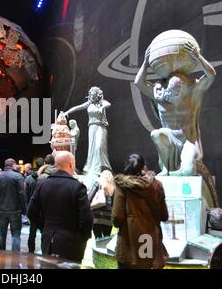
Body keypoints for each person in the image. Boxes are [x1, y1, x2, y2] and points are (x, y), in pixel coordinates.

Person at [134, 43, 216, 176]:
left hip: (187, 139)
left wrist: (198, 57)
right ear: (168, 89)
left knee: (188, 171)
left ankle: (174, 174)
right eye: (175, 91)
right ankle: (166, 169)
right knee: (156, 133)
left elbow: (211, 75)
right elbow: (138, 82)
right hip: (169, 138)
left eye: (180, 90)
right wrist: (145, 63)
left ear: (185, 88)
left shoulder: (191, 91)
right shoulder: (159, 94)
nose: (178, 94)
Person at [27, 151, 93, 262]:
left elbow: (31, 212)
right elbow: (86, 218)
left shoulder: (42, 184)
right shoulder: (78, 187)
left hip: (48, 240)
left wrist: (45, 227)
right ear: (71, 164)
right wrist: (82, 237)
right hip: (71, 242)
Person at [112, 154, 169, 269]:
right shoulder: (157, 186)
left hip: (129, 247)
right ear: (143, 167)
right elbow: (164, 216)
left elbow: (117, 218)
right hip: (150, 245)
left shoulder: (122, 187)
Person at [61, 86, 112, 176]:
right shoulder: (89, 104)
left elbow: (108, 104)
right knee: (92, 149)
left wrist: (102, 107)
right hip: (91, 128)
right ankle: (95, 169)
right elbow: (77, 108)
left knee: (99, 146)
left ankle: (102, 167)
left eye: (93, 95)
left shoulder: (102, 103)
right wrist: (67, 112)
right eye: (90, 95)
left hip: (100, 127)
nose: (92, 97)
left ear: (97, 95)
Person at [0, 158, 26, 251]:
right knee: (15, 234)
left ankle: (0, 255)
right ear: (13, 165)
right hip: (15, 210)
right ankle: (15, 257)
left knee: (1, 234)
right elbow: (21, 194)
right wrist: (24, 209)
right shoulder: (18, 176)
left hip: (1, 210)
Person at [88, 168, 115, 239]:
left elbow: (89, 198)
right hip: (109, 219)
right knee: (106, 239)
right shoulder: (114, 188)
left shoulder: (97, 184)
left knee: (97, 239)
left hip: (97, 217)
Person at [25, 157, 45, 253]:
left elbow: (26, 195)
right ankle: (44, 251)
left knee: (32, 233)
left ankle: (31, 252)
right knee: (43, 232)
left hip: (32, 208)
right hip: (43, 209)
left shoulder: (29, 179)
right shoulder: (46, 178)